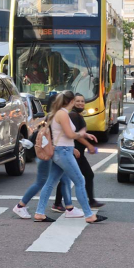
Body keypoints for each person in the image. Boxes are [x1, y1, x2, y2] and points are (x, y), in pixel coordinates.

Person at [33, 91, 108, 224]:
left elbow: (63, 135)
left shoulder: (60, 113)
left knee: (51, 182)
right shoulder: (62, 114)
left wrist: (82, 137)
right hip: (63, 152)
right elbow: (70, 134)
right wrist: (83, 133)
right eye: (75, 100)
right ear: (71, 101)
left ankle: (39, 213)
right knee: (80, 181)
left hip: (61, 150)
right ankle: (89, 215)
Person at [52, 94, 105, 211]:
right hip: (72, 152)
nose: (81, 103)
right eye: (78, 101)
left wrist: (86, 135)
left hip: (77, 152)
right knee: (68, 178)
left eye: (82, 101)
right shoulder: (73, 115)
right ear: (72, 102)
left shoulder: (76, 115)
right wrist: (89, 145)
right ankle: (61, 204)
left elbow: (78, 132)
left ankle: (90, 201)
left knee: (84, 175)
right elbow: (73, 135)